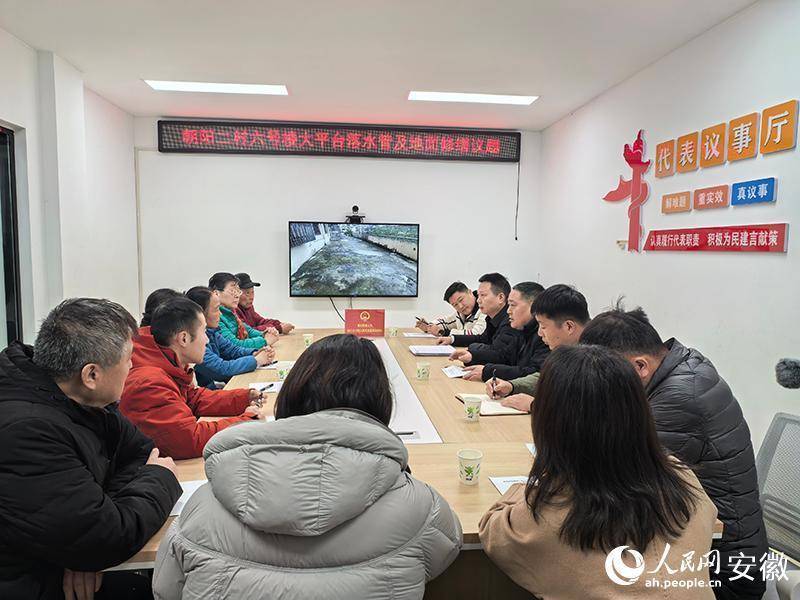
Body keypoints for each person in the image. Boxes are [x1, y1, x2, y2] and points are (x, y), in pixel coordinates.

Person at [153, 334, 463, 600]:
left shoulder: (204, 505)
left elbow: (166, 588)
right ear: (379, 401)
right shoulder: (419, 506)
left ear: (292, 392)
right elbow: (447, 552)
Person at [479, 345, 718, 599]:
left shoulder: (548, 514)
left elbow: (493, 529)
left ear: (549, 423)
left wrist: (537, 484)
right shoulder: (681, 477)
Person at [580, 306, 767, 599]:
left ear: (639, 366)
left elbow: (621, 477)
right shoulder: (679, 366)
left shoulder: (680, 398)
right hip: (701, 542)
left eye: (607, 376)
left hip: (722, 568)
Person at [0, 298, 182, 599]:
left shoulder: (80, 398)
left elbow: (140, 452)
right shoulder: (26, 431)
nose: (132, 366)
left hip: (60, 562)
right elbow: (107, 537)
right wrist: (161, 477)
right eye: (128, 359)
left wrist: (82, 546)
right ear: (92, 375)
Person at [119, 297, 263, 459]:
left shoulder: (165, 361)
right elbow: (189, 440)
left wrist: (243, 398)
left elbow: (192, 398)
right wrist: (244, 422)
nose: (207, 340)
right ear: (184, 338)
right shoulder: (149, 382)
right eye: (204, 332)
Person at [486, 283, 589, 412]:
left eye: (543, 326)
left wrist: (534, 405)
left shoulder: (598, 357)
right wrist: (512, 386)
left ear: (569, 327)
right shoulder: (568, 348)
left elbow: (585, 411)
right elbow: (548, 377)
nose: (540, 333)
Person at [185, 286, 275, 389]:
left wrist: (255, 353)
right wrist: (256, 360)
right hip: (207, 391)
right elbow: (221, 369)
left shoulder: (213, 331)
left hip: (211, 390)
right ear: (200, 314)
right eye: (216, 309)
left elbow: (232, 350)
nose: (220, 314)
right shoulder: (194, 341)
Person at [463, 281, 549, 383]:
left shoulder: (545, 337)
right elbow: (505, 358)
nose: (508, 311)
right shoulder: (522, 330)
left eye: (513, 305)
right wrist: (472, 358)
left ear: (534, 306)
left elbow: (535, 375)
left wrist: (488, 372)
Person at [437, 272, 522, 367]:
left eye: (483, 295)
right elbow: (482, 339)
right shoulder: (492, 318)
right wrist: (452, 339)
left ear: (500, 297)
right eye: (478, 295)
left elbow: (501, 356)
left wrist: (472, 355)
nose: (478, 300)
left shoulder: (511, 321)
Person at [209, 272, 277, 350]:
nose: (237, 295)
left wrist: (265, 334)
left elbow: (249, 330)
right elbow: (234, 345)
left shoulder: (231, 313)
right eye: (232, 291)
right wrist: (265, 341)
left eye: (238, 291)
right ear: (216, 293)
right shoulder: (214, 317)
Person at [415, 281, 486, 337]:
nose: (460, 306)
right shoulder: (460, 313)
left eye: (461, 300)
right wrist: (429, 326)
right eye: (455, 305)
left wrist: (443, 332)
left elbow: (476, 334)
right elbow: (446, 322)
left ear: (470, 292)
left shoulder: (486, 309)